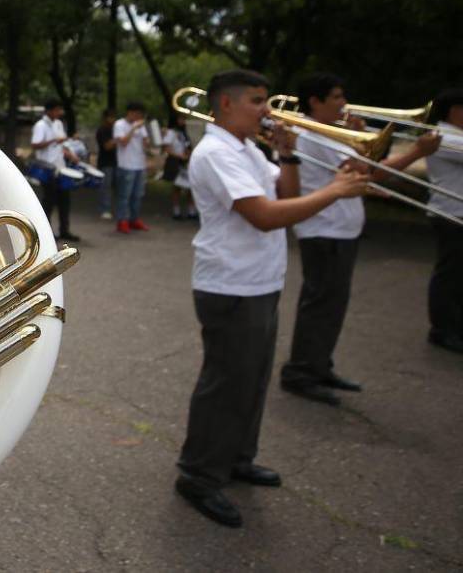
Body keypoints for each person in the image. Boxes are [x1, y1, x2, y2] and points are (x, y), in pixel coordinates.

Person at [174, 70, 369, 528]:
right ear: (226, 105)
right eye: (257, 101)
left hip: (259, 280)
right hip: (231, 284)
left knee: (254, 378)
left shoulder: (246, 149)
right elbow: (264, 216)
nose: (268, 109)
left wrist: (287, 153)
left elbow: (288, 193)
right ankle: (200, 474)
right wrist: (336, 191)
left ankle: (236, 457)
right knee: (226, 382)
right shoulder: (216, 152)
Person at [280, 73, 442, 404]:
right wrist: (415, 151)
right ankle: (300, 371)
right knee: (321, 304)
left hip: (340, 229)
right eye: (337, 97)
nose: (344, 103)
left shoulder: (332, 133)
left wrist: (358, 135)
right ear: (315, 101)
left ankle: (319, 365)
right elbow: (371, 174)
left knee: (333, 305)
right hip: (324, 230)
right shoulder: (313, 135)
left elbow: (364, 166)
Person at [425, 87, 463, 355]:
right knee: (449, 276)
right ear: (454, 111)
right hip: (451, 213)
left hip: (456, 212)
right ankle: (442, 329)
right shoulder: (444, 137)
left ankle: (454, 326)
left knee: (457, 275)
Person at [29, 99, 82, 242]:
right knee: (49, 201)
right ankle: (46, 232)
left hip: (60, 167)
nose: (60, 113)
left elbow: (62, 144)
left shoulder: (58, 124)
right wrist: (54, 141)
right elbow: (35, 144)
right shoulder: (41, 125)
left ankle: (65, 230)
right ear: (49, 110)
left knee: (65, 200)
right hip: (47, 167)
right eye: (57, 110)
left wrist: (71, 155)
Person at [113, 101, 151, 234]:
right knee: (125, 195)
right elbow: (122, 142)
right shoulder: (119, 124)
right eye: (138, 114)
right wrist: (134, 128)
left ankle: (134, 219)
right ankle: (122, 221)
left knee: (138, 195)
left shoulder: (141, 126)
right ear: (131, 113)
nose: (139, 117)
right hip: (126, 165)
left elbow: (146, 144)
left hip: (140, 164)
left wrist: (147, 140)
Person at [161, 115, 195, 220]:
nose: (183, 121)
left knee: (191, 188)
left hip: (185, 162)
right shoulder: (171, 132)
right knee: (177, 188)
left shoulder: (184, 133)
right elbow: (167, 148)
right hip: (176, 162)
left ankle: (191, 211)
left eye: (184, 119)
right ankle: (176, 211)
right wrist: (179, 155)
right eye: (180, 119)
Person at [94, 108, 117, 220]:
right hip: (105, 162)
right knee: (105, 187)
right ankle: (104, 209)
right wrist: (117, 140)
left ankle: (112, 209)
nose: (113, 119)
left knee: (113, 187)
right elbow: (107, 146)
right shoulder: (102, 130)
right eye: (111, 117)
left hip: (116, 162)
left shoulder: (114, 129)